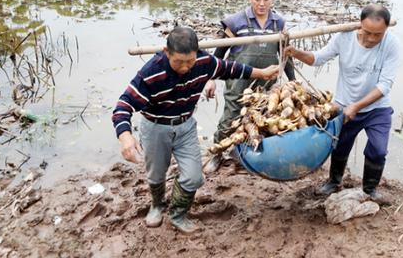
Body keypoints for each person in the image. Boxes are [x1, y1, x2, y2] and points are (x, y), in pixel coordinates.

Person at [112, 26, 279, 233]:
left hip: (186, 127)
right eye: (178, 62)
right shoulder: (151, 72)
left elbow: (230, 68)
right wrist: (125, 136)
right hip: (155, 127)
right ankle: (157, 205)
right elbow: (123, 105)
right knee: (156, 173)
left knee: (194, 176)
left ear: (197, 54)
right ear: (167, 53)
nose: (184, 67)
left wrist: (261, 73)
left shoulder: (204, 62)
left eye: (189, 62)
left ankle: (178, 213)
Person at [284, 4, 399, 203]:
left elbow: (385, 85)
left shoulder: (391, 43)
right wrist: (295, 53)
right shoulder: (344, 37)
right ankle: (334, 181)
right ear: (360, 25)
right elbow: (318, 59)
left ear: (386, 29)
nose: (372, 39)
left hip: (377, 108)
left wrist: (357, 106)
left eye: (377, 35)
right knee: (340, 146)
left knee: (378, 150)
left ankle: (370, 189)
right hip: (344, 103)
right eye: (367, 33)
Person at [202, 0, 295, 173]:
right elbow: (219, 53)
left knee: (262, 116)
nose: (261, 4)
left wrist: (292, 81)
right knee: (232, 115)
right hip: (239, 80)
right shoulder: (236, 22)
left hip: (266, 81)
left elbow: (286, 55)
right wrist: (209, 79)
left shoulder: (279, 23)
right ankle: (217, 153)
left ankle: (249, 152)